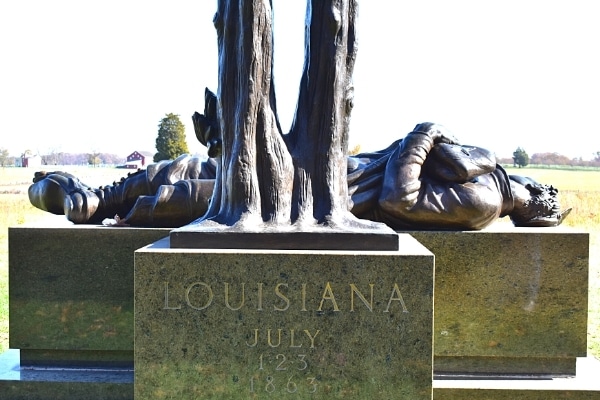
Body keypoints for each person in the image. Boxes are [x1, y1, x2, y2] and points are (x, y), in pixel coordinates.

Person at [28, 123, 570, 230]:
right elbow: (452, 163)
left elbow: (402, 199)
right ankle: (94, 196)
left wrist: (420, 136)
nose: (526, 180)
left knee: (199, 191)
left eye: (536, 188)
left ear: (534, 202)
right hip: (326, 168)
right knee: (198, 167)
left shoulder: (482, 204)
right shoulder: (489, 176)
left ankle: (101, 206)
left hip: (326, 196)